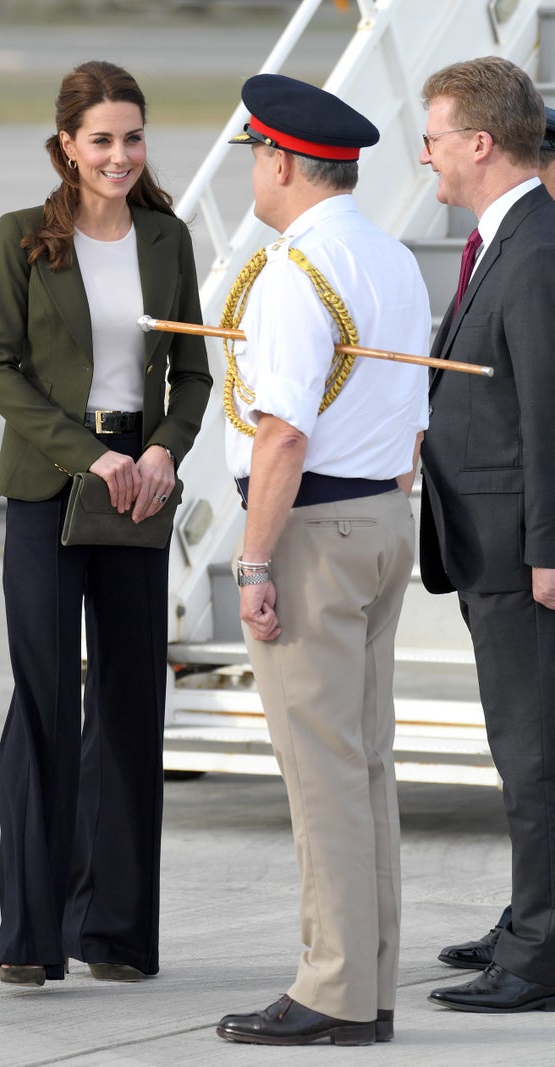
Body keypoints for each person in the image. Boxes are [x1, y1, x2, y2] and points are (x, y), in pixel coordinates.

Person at [0, 60, 211, 988]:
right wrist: (90, 454)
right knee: (44, 707)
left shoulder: (167, 236)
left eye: (134, 137)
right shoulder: (22, 238)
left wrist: (161, 452)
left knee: (128, 705)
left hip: (138, 491)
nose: (121, 155)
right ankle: (30, 936)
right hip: (48, 487)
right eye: (102, 139)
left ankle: (116, 930)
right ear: (67, 145)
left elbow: (191, 371)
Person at [214, 74, 430, 1046]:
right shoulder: (386, 254)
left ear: (285, 162)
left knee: (324, 770)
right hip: (384, 516)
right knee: (367, 762)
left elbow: (283, 433)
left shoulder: (296, 270)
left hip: (315, 533)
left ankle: (334, 987)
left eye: (258, 156)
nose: (256, 173)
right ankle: (369, 979)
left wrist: (254, 563)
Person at [418, 57, 555, 1013]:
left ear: (478, 141)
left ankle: (541, 952)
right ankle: (528, 918)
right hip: (491, 535)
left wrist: (550, 546)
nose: (423, 156)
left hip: (520, 547)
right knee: (523, 747)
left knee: (534, 751)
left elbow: (550, 412)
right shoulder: (502, 239)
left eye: (432, 138)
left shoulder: (538, 250)